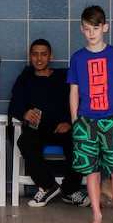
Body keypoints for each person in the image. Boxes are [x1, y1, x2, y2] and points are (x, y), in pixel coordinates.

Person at [67, 6, 113, 223]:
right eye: (87, 29)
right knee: (91, 171)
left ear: (105, 27)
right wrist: (76, 120)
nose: (92, 33)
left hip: (111, 119)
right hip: (86, 121)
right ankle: (97, 215)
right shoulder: (78, 58)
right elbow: (73, 91)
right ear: (81, 29)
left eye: (96, 28)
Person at [11, 39, 89, 208]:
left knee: (80, 139)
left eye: (44, 54)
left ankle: (70, 190)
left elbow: (81, 100)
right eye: (35, 54)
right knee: (24, 141)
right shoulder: (24, 79)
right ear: (30, 56)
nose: (39, 58)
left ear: (50, 56)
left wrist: (70, 122)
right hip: (38, 129)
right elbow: (14, 106)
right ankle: (47, 185)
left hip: (63, 127)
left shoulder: (64, 77)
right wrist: (24, 113)